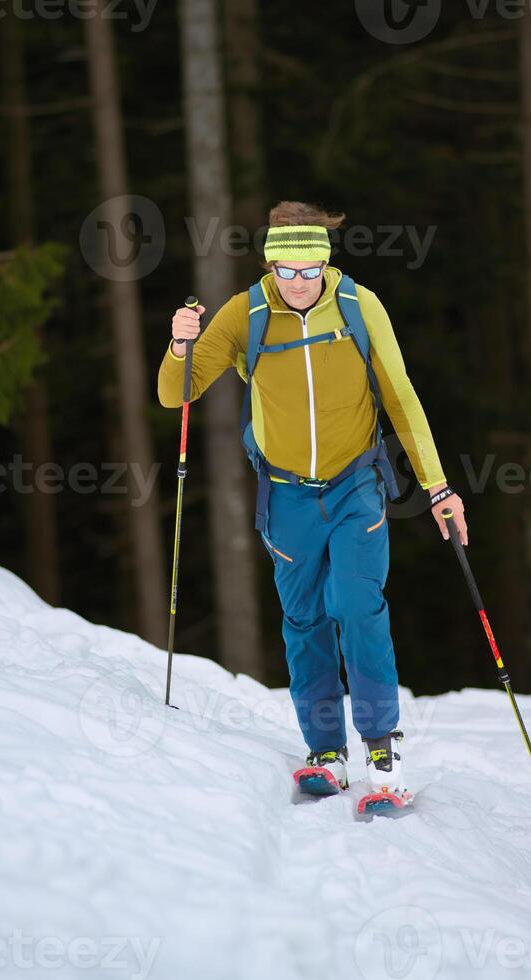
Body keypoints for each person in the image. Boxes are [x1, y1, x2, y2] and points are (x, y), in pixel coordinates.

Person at [158, 201, 467, 801]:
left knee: (355, 605)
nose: (299, 283)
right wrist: (179, 345)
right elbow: (179, 394)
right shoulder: (246, 313)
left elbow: (401, 396)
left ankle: (382, 745)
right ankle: (326, 751)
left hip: (356, 486)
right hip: (287, 496)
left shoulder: (357, 305)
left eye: (310, 271)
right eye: (286, 271)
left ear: (326, 264)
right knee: (305, 621)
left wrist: (439, 487)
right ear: (270, 267)